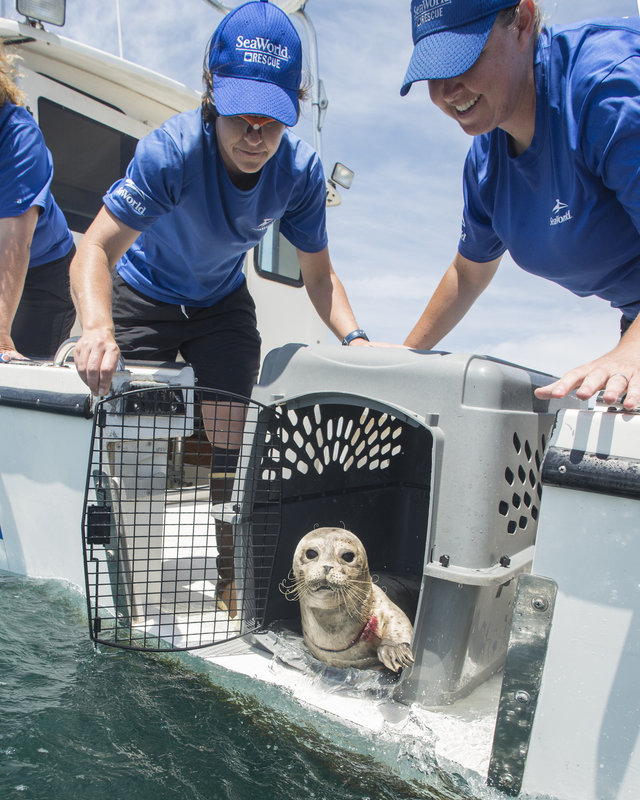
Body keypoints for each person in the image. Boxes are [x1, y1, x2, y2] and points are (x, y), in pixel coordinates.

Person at [70, 0, 369, 616]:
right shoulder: (171, 153)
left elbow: (319, 276)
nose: (255, 137)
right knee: (135, 443)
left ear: (295, 105)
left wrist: (357, 341)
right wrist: (96, 329)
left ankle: (231, 573)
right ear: (212, 94)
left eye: (274, 120)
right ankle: (133, 577)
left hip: (220, 302)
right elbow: (94, 249)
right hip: (142, 297)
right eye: (241, 117)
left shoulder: (300, 173)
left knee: (227, 441)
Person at [400, 0, 640, 411]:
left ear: (523, 22)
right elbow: (467, 274)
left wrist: (630, 351)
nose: (447, 91)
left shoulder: (608, 88)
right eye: (432, 71)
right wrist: (398, 368)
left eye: (465, 58)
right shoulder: (486, 164)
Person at [0, 43, 75, 361]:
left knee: (14, 366)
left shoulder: (19, 136)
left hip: (43, 274)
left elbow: (15, 243)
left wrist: (2, 337)